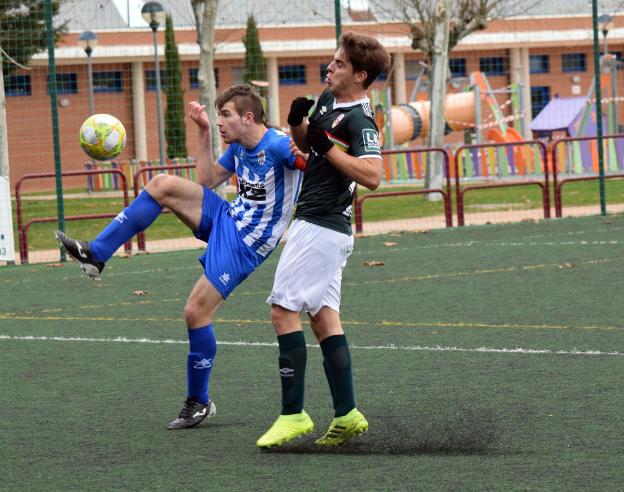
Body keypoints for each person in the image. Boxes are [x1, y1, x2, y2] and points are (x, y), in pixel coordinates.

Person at [56, 84, 305, 430]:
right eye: (217, 116)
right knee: (161, 185)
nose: (219, 122)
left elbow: (316, 166)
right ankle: (96, 254)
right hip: (227, 217)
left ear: (249, 117)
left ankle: (199, 402)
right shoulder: (238, 146)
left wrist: (311, 149)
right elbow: (207, 179)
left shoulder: (277, 144)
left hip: (247, 243)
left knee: (194, 312)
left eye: (225, 115)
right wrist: (202, 132)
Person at [256, 32, 391, 448]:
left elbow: (373, 176)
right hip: (321, 227)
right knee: (323, 318)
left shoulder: (360, 119)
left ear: (360, 74)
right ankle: (347, 413)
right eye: (331, 61)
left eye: (338, 64)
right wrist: (298, 123)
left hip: (320, 226)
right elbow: (307, 146)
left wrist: (326, 148)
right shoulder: (329, 100)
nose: (329, 68)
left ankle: (293, 415)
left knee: (282, 311)